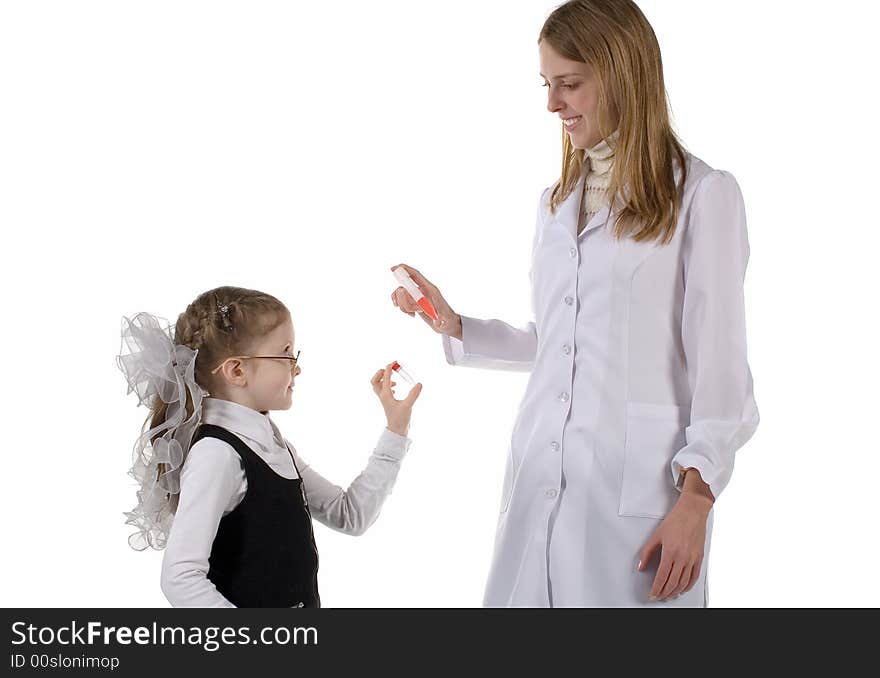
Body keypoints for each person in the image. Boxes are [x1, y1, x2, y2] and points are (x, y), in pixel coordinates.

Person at [390, 0, 758, 607]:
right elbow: (563, 337)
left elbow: (720, 363)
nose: (552, 104)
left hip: (639, 496)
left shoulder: (701, 196)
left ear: (622, 75)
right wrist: (454, 324)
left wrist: (698, 497)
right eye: (547, 84)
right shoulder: (555, 201)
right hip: (543, 472)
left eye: (569, 84)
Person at [118, 285, 422, 607]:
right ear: (237, 370)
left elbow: (350, 515)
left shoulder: (272, 444)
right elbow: (179, 577)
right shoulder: (217, 455)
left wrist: (396, 428)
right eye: (285, 353)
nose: (297, 366)